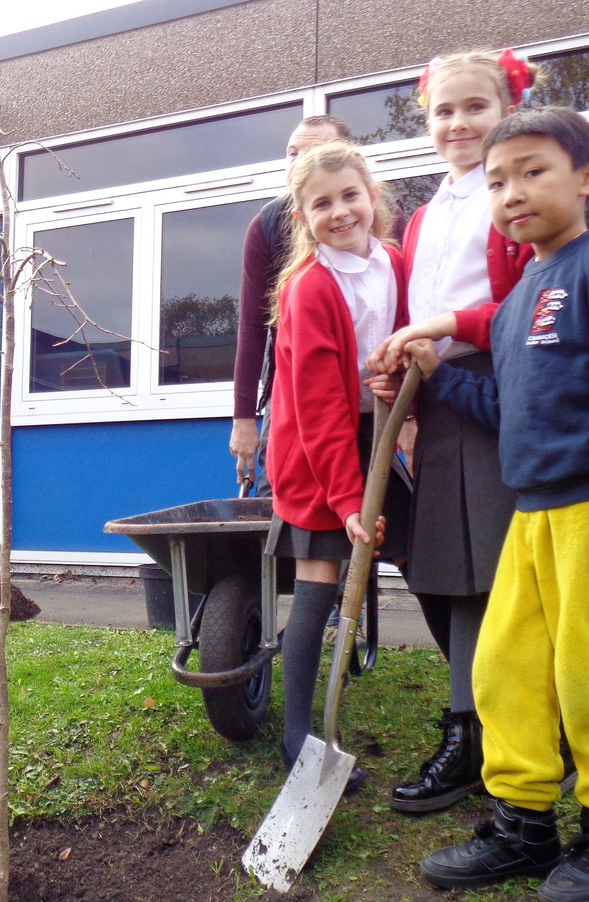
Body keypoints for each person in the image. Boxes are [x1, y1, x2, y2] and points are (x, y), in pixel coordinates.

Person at [392, 107, 589, 902]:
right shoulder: (522, 297)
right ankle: (523, 824)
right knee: (505, 667)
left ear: (588, 178)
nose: (512, 192)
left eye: (532, 171)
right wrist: (437, 374)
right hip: (535, 511)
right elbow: (508, 407)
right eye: (496, 181)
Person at [368, 50, 541, 815]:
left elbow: (527, 305)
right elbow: (410, 307)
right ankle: (491, 721)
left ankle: (481, 732)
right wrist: (396, 364)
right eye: (444, 111)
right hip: (435, 390)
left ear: (507, 110)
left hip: (493, 385)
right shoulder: (424, 214)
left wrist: (441, 329)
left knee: (489, 574)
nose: (459, 123)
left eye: (476, 107)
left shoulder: (513, 200)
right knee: (440, 562)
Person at [265, 141, 411, 788]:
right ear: (303, 217)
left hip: (372, 432)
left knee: (418, 554)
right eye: (321, 203)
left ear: (373, 197)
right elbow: (320, 404)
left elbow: (410, 338)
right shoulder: (309, 288)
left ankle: (471, 713)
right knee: (319, 577)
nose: (340, 211)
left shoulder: (395, 264)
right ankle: (299, 731)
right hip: (315, 445)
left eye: (350, 194)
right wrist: (348, 501)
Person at [230, 115, 352, 494]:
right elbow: (252, 325)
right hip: (291, 392)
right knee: (282, 501)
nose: (299, 162)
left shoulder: (378, 217)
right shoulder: (267, 226)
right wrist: (244, 418)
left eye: (313, 153)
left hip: (365, 387)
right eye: (292, 154)